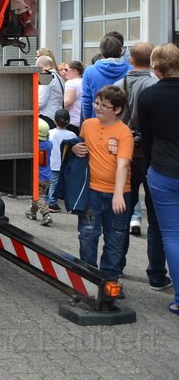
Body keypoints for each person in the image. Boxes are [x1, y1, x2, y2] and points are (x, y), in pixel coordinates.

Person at [71, 84, 133, 288]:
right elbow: (79, 145)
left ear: (117, 109)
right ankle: (89, 278)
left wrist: (118, 195)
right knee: (88, 234)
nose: (98, 107)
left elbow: (123, 164)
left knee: (115, 240)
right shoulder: (88, 125)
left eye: (104, 105)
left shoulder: (124, 132)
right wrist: (74, 147)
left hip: (118, 194)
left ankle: (109, 281)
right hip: (92, 193)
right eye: (96, 103)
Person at [137, 42, 179, 306]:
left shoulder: (149, 96)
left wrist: (152, 165)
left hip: (163, 170)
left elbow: (147, 137)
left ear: (155, 67)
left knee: (172, 234)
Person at [113, 41, 157, 239]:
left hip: (124, 152)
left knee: (123, 209)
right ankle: (155, 268)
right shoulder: (155, 86)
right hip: (149, 154)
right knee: (154, 212)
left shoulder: (117, 86)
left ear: (131, 60)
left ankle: (117, 261)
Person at [81, 34, 131, 120]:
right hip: (123, 121)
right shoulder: (130, 70)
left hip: (97, 120)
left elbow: (87, 101)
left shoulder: (90, 71)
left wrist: (87, 121)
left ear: (101, 52)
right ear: (120, 51)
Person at [25, 119, 54, 226]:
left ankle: (46, 214)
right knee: (37, 196)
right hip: (47, 177)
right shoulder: (49, 144)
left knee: (36, 196)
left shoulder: (33, 145)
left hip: (38, 177)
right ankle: (31, 212)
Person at [47, 108, 74, 211]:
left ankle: (48, 199)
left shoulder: (50, 133)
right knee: (56, 183)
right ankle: (52, 202)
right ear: (69, 121)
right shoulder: (71, 135)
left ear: (54, 120)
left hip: (51, 162)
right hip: (62, 163)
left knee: (50, 182)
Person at [37, 55, 65, 128]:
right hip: (56, 115)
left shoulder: (46, 76)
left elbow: (40, 102)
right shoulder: (59, 77)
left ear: (40, 66)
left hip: (46, 117)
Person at [63, 60, 84, 133]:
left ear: (75, 71)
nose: (64, 72)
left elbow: (67, 102)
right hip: (82, 121)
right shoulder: (84, 82)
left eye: (66, 69)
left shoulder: (71, 83)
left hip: (72, 121)